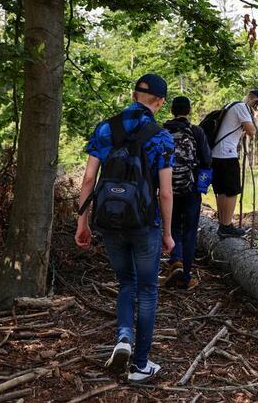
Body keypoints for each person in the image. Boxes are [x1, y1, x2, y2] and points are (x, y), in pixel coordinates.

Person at [75, 74, 175, 383]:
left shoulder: (106, 128)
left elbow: (89, 179)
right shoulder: (160, 136)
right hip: (144, 223)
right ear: (159, 102)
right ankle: (141, 365)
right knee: (147, 290)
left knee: (126, 283)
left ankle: (123, 337)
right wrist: (168, 234)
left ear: (134, 95)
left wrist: (83, 221)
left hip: (110, 219)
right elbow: (166, 192)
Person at [163, 96, 211, 290]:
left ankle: (176, 260)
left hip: (168, 188)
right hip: (191, 188)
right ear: (189, 111)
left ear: (172, 110)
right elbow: (207, 159)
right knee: (190, 231)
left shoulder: (162, 131)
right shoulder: (196, 131)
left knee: (172, 224)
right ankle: (186, 277)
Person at [211, 89, 258, 237]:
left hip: (216, 154)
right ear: (256, 103)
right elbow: (252, 131)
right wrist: (254, 117)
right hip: (227, 155)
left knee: (222, 190)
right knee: (232, 191)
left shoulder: (231, 105)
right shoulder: (242, 107)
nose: (257, 110)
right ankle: (227, 225)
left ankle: (223, 224)